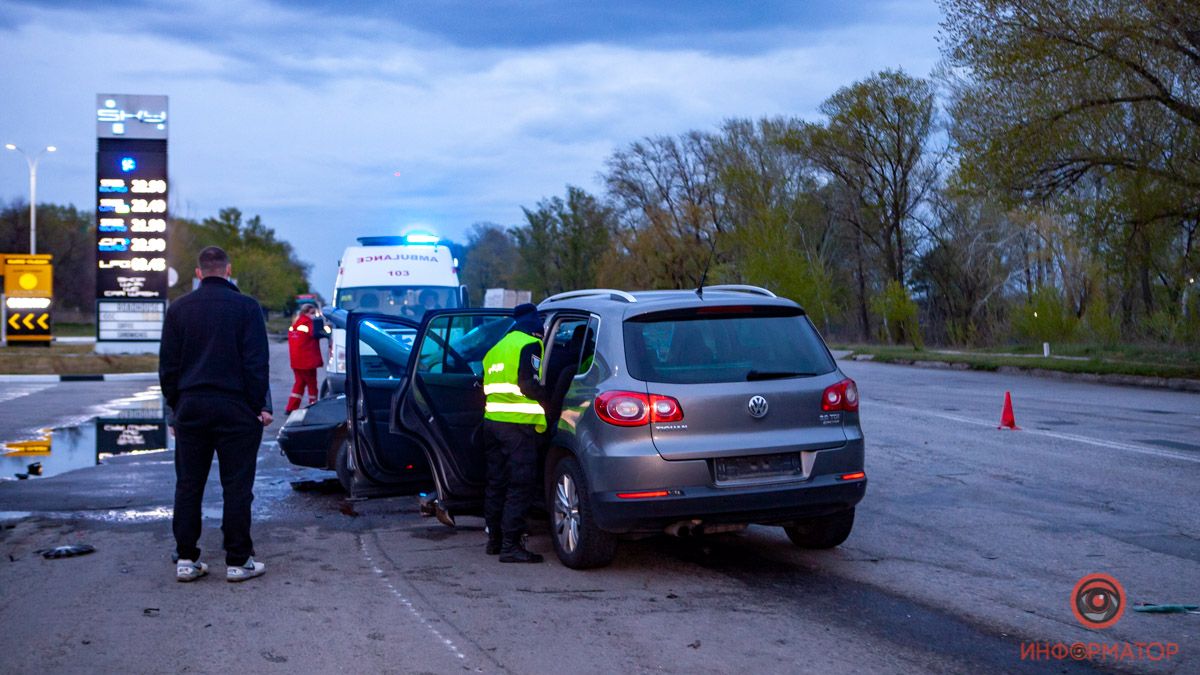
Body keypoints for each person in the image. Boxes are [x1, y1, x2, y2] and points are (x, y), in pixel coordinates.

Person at [159, 246, 272, 583]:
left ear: (198, 273)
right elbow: (256, 363)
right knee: (237, 486)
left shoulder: (179, 310)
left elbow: (168, 368)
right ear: (228, 270)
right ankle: (239, 561)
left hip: (191, 407)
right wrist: (259, 407)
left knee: (188, 485)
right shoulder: (247, 308)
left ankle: (186, 559)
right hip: (236, 409)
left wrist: (176, 409)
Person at [480, 303, 547, 563]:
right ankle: (511, 546)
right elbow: (528, 384)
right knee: (521, 484)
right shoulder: (529, 344)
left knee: (497, 482)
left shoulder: (495, 349)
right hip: (517, 426)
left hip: (492, 423)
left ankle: (494, 541)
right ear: (535, 324)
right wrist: (550, 399)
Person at [286, 302, 325, 413]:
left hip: (296, 362)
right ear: (306, 312)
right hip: (307, 363)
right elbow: (315, 333)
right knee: (312, 385)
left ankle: (291, 407)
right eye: (312, 313)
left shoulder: (295, 324)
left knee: (299, 384)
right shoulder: (307, 323)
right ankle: (313, 406)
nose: (314, 315)